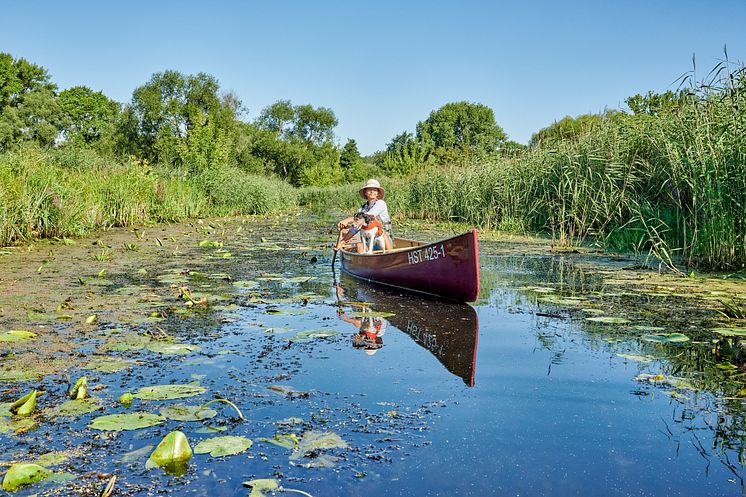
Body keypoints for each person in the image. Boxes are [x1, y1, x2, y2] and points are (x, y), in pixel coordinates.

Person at [336, 178, 393, 251]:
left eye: (375, 190)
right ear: (365, 192)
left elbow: (368, 216)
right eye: (369, 189)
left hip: (384, 240)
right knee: (359, 244)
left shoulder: (381, 203)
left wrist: (346, 220)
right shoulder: (361, 209)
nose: (372, 191)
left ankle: (389, 256)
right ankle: (365, 260)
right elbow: (354, 229)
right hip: (369, 241)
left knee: (383, 232)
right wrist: (342, 241)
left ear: (378, 193)